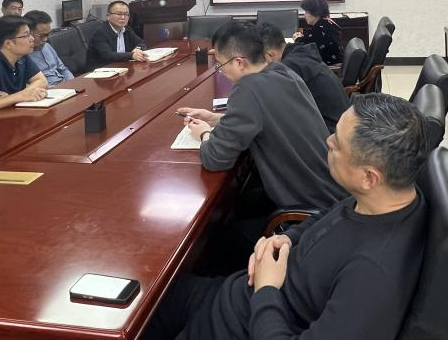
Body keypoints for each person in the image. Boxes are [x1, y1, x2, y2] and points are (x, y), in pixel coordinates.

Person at [145, 93, 429, 340]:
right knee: (154, 299)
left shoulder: (373, 277)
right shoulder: (382, 198)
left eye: (337, 143)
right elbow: (329, 217)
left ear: (369, 177)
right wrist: (286, 239)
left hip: (236, 325)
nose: (328, 140)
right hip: (231, 296)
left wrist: (267, 288)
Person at [178, 22, 344, 212]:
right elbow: (264, 117)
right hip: (330, 187)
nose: (221, 72)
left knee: (228, 219)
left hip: (309, 203)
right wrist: (214, 118)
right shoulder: (281, 71)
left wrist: (204, 133)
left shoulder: (248, 88)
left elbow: (215, 158)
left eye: (221, 65)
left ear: (239, 62)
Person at [257, 23, 349, 130]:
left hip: (332, 131)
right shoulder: (299, 53)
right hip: (340, 123)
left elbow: (277, 109)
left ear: (270, 55)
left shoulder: (290, 67)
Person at [86, 0, 148, 69]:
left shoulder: (127, 29)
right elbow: (108, 55)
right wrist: (131, 55)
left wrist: (137, 49)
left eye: (126, 14)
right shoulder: (100, 32)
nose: (123, 17)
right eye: (119, 14)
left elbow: (141, 43)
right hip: (101, 70)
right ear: (108, 16)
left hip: (121, 67)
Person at [24, 10, 74, 85]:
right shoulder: (22, 56)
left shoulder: (47, 46)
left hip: (64, 85)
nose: (45, 39)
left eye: (47, 35)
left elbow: (63, 69)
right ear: (28, 33)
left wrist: (73, 83)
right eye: (41, 36)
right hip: (47, 89)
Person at [294, 0, 342, 66]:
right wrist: (303, 32)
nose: (304, 15)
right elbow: (313, 36)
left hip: (327, 66)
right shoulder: (327, 22)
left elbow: (306, 49)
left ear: (316, 13)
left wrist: (297, 38)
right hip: (330, 60)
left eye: (306, 12)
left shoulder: (320, 29)